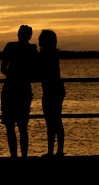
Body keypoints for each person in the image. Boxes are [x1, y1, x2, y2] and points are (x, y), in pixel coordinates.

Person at [0, 24, 38, 158]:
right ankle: (24, 156)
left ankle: (14, 156)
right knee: (22, 127)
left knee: (10, 127)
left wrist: (12, 76)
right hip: (23, 90)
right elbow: (36, 71)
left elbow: (3, 68)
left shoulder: (10, 46)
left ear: (18, 34)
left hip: (10, 89)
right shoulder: (31, 49)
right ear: (29, 36)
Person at [38, 29, 66, 158]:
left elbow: (42, 70)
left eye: (40, 38)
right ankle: (58, 151)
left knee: (51, 121)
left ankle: (53, 151)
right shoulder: (54, 53)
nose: (38, 40)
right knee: (56, 120)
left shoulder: (45, 53)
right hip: (57, 89)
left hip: (51, 90)